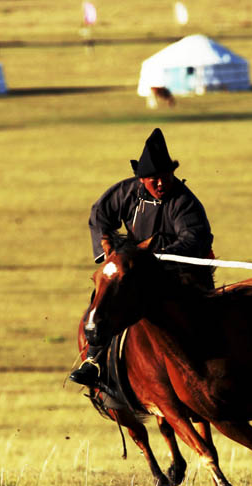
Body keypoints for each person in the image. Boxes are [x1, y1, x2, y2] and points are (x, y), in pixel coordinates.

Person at [70, 127, 215, 387]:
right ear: (141, 179)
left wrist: (157, 256)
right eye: (153, 179)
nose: (161, 184)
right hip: (135, 268)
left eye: (165, 177)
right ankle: (93, 362)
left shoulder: (184, 203)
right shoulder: (126, 193)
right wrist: (107, 252)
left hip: (181, 272)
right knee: (104, 300)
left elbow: (193, 240)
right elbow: (100, 215)